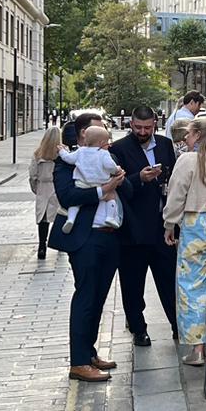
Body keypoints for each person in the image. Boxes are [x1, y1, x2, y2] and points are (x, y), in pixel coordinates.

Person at [48, 133, 131, 382]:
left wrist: (120, 179)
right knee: (85, 296)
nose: (107, 143)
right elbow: (68, 196)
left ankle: (90, 352)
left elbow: (127, 188)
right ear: (83, 138)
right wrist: (103, 190)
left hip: (110, 236)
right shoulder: (67, 162)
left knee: (98, 298)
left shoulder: (108, 157)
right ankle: (79, 362)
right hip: (85, 238)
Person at [161, 114, 206, 366]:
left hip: (194, 225)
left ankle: (196, 347)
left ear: (198, 136)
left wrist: (169, 223)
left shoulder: (188, 160)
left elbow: (176, 194)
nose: (185, 138)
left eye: (190, 133)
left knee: (191, 287)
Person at [111, 105, 179, 346]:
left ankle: (177, 325)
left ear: (155, 125)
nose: (142, 132)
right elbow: (117, 186)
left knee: (169, 280)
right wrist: (138, 178)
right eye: (138, 128)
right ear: (130, 125)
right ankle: (138, 328)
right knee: (132, 283)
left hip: (162, 226)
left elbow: (173, 177)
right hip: (133, 228)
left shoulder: (164, 144)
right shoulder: (118, 149)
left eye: (147, 128)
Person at [58, 129, 124, 233]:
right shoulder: (104, 153)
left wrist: (62, 151)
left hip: (81, 183)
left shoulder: (80, 151)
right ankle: (110, 217)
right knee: (111, 197)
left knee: (75, 204)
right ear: (102, 143)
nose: (109, 145)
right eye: (108, 142)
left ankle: (70, 219)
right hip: (99, 183)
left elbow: (68, 158)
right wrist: (117, 169)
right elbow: (110, 166)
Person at [29, 127, 64, 260]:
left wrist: (36, 188)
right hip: (57, 186)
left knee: (43, 219)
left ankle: (42, 246)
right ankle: (60, 244)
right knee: (59, 216)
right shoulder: (62, 152)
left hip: (43, 187)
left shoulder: (38, 154)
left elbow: (33, 174)